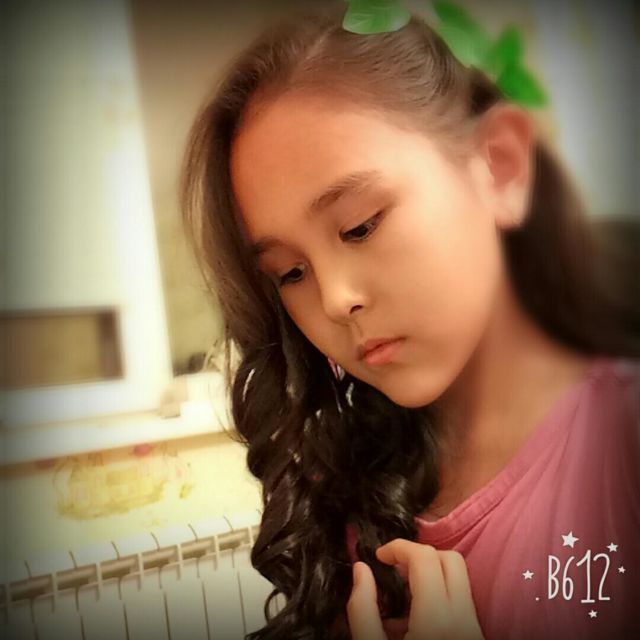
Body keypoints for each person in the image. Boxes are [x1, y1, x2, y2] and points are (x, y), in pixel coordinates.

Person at [179, 1, 640, 638]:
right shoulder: (357, 483)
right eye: (290, 272)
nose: (334, 300)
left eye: (360, 226)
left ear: (500, 166)